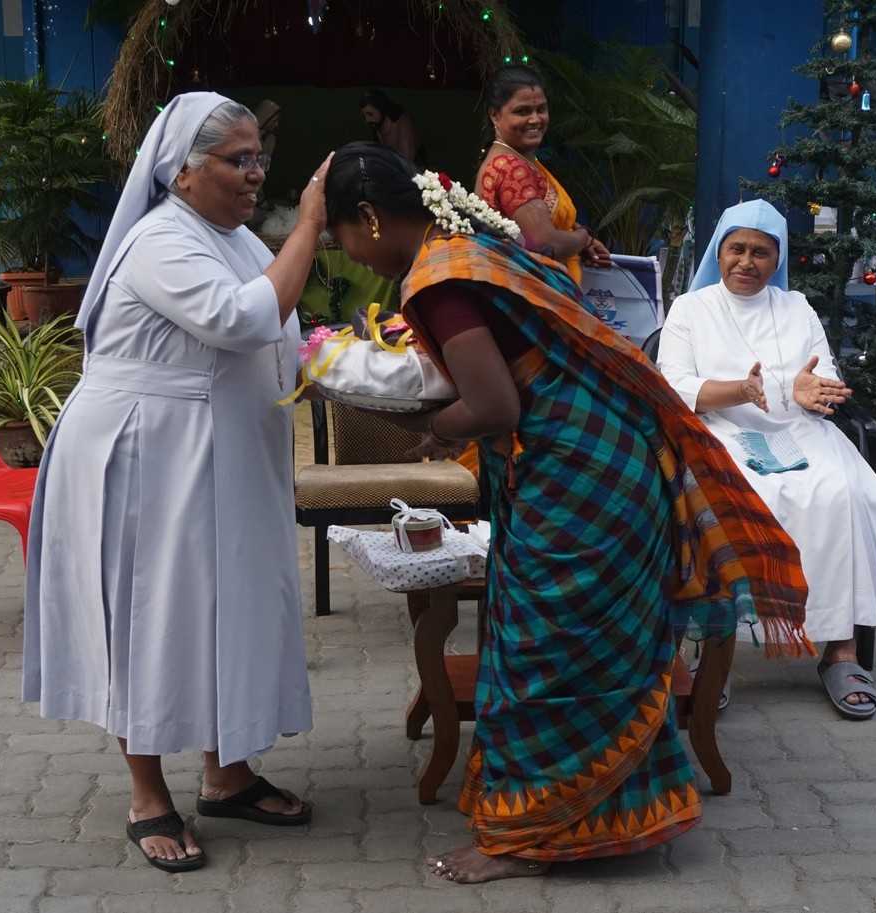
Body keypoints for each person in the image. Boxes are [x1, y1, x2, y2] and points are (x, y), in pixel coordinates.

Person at [322, 142, 812, 884]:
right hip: (606, 460)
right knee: (589, 647)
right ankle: (603, 819)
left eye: (338, 235)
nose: (348, 253)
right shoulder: (469, 248)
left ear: (367, 217)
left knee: (543, 652)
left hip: (579, 477)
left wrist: (430, 428)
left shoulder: (438, 279)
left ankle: (527, 838)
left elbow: (493, 405)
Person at [22, 93, 333, 873]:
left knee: (220, 607)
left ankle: (227, 774)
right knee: (149, 613)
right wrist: (308, 225)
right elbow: (243, 319)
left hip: (214, 450)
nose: (256, 172)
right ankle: (146, 794)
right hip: (145, 454)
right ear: (183, 172)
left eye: (260, 156)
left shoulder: (230, 235)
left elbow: (278, 326)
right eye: (238, 159)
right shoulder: (162, 240)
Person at [655, 200, 876, 721]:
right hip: (719, 431)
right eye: (736, 249)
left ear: (777, 258)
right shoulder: (690, 309)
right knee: (732, 495)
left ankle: (841, 649)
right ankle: (715, 655)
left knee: (845, 493)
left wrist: (812, 391)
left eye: (760, 252)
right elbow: (674, 387)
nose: (747, 261)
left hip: (799, 431)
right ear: (719, 253)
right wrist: (740, 390)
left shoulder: (796, 307)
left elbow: (822, 376)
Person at [473, 65, 611, 283]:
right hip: (530, 293)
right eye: (522, 111)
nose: (535, 119)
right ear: (495, 115)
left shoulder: (512, 159)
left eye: (541, 109)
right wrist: (584, 237)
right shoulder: (511, 168)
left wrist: (572, 236)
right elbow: (546, 245)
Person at [359, 89, 424, 168]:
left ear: (381, 108)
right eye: (365, 115)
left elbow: (407, 162)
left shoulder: (403, 124)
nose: (367, 120)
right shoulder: (377, 125)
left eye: (370, 114)